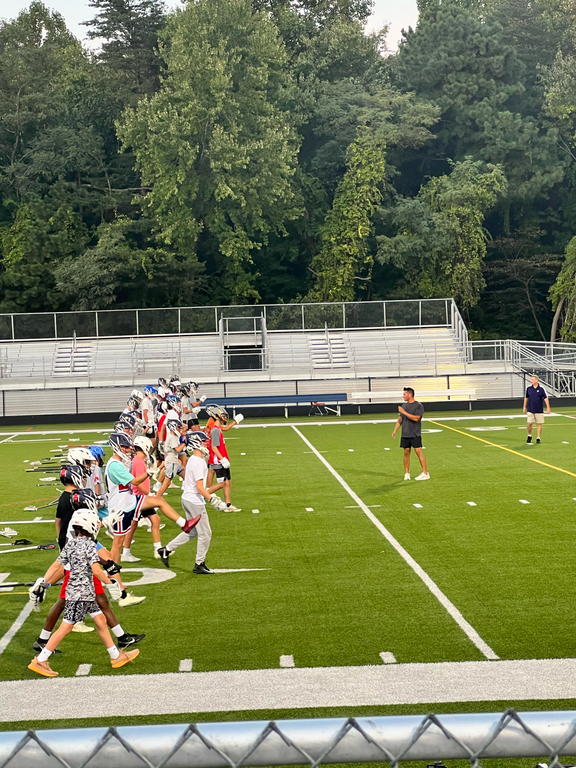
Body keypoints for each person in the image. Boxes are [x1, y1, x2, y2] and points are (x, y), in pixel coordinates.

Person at [28, 507, 140, 677]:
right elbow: (96, 571)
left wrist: (44, 582)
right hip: (80, 594)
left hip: (81, 592)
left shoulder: (70, 544)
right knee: (66, 627)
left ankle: (116, 657)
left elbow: (56, 566)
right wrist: (111, 582)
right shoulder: (90, 546)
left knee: (101, 620)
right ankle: (40, 660)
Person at [105, 432, 200, 563]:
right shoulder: (115, 465)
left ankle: (184, 525)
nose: (127, 450)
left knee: (157, 506)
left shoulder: (119, 463)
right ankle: (112, 571)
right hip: (121, 506)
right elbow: (136, 482)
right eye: (124, 447)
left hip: (129, 501)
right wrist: (149, 473)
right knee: (117, 543)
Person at [157, 432, 227, 570]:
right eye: (203, 441)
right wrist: (212, 499)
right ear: (196, 443)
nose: (206, 443)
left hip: (187, 498)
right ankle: (199, 563)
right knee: (205, 533)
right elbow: (199, 488)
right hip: (194, 501)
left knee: (193, 531)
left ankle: (166, 549)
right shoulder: (199, 462)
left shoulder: (193, 460)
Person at [121, 436, 164, 562]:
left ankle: (157, 549)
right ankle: (126, 552)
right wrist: (149, 494)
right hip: (139, 497)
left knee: (154, 519)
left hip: (139, 496)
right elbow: (138, 483)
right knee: (134, 524)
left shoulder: (137, 460)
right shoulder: (139, 462)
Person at [208, 407, 243, 510]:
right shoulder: (215, 430)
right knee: (222, 483)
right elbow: (214, 447)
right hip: (218, 461)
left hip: (223, 459)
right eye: (222, 415)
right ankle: (202, 494)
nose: (224, 417)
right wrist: (222, 459)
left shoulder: (218, 428)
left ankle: (228, 505)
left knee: (227, 482)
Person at [392, 387, 430, 481]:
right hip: (405, 433)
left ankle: (425, 473)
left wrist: (403, 412)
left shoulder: (418, 406)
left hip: (415, 433)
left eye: (404, 394)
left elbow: (416, 418)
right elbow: (400, 419)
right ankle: (407, 473)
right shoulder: (404, 406)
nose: (403, 396)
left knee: (418, 451)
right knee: (406, 452)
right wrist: (395, 430)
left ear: (409, 395)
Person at [524, 374, 551, 444]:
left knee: (539, 423)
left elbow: (545, 398)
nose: (531, 381)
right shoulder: (529, 389)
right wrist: (524, 406)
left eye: (532, 380)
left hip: (539, 409)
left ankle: (538, 437)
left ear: (536, 380)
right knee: (529, 423)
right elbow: (526, 398)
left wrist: (548, 407)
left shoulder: (541, 389)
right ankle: (529, 435)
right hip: (530, 409)